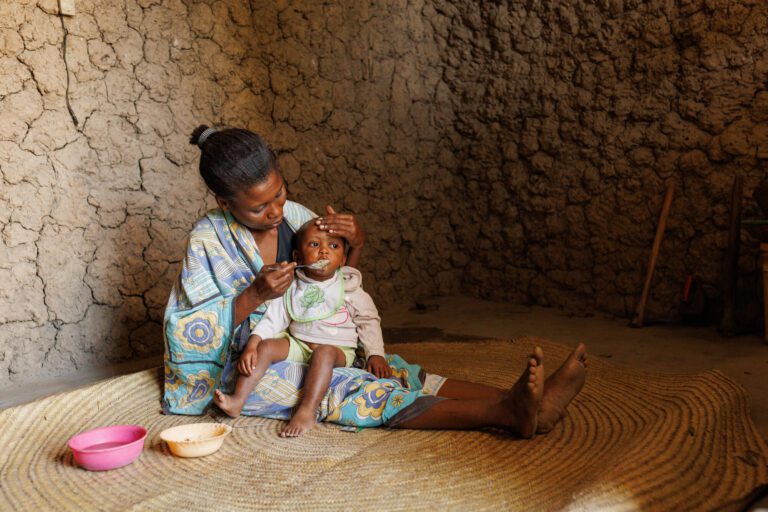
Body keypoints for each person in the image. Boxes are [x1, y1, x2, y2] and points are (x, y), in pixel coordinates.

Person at [163, 125, 587, 438]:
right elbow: (185, 332)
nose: (275, 212)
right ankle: (504, 413)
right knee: (357, 388)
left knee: (391, 368)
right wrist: (255, 294)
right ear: (224, 202)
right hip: (252, 366)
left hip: (314, 339)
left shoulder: (295, 215)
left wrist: (356, 241)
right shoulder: (208, 241)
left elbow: (341, 282)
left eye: (279, 194)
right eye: (259, 208)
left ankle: (531, 404)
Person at [214, 220, 392, 437]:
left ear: (343, 259)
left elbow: (368, 320)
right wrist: (253, 344)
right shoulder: (293, 286)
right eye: (314, 245)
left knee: (323, 352)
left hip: (336, 351)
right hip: (298, 344)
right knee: (268, 346)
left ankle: (307, 410)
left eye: (333, 246)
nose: (324, 251)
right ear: (298, 257)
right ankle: (237, 400)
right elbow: (273, 319)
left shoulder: (348, 287)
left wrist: (376, 354)